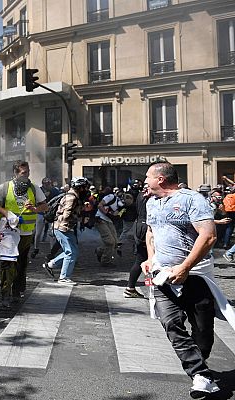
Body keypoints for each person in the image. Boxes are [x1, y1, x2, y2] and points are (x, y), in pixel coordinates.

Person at [141, 161, 223, 398]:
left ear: (161, 179)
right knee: (171, 323)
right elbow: (150, 233)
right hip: (163, 276)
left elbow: (208, 236)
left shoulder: (192, 199)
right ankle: (200, 374)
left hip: (196, 275)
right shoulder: (151, 203)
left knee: (203, 332)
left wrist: (185, 267)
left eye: (148, 177)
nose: (145, 181)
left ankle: (200, 366)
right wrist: (150, 258)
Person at [0, 160, 48, 303]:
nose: (27, 175)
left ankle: (17, 291)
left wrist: (35, 209)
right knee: (7, 262)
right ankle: (5, 292)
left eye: (28, 172)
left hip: (26, 234)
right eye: (24, 172)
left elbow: (45, 206)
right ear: (15, 173)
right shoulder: (4, 187)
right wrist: (6, 213)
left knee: (21, 262)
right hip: (7, 232)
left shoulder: (34, 188)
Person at [41, 177, 90, 284]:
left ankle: (50, 265)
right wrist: (78, 217)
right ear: (79, 187)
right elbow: (66, 214)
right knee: (70, 252)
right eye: (84, 187)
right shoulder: (71, 198)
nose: (86, 190)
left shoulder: (74, 196)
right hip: (62, 228)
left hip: (66, 228)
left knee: (73, 252)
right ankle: (63, 278)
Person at [123, 185, 150, 298]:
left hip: (140, 226)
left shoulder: (140, 195)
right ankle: (153, 288)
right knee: (149, 259)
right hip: (146, 228)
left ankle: (131, 287)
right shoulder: (151, 197)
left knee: (141, 259)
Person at [94, 186, 123, 266]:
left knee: (115, 242)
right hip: (100, 219)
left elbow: (118, 214)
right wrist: (107, 214)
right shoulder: (110, 197)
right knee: (110, 242)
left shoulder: (121, 204)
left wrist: (117, 215)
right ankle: (105, 261)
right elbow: (100, 205)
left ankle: (100, 250)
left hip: (109, 221)